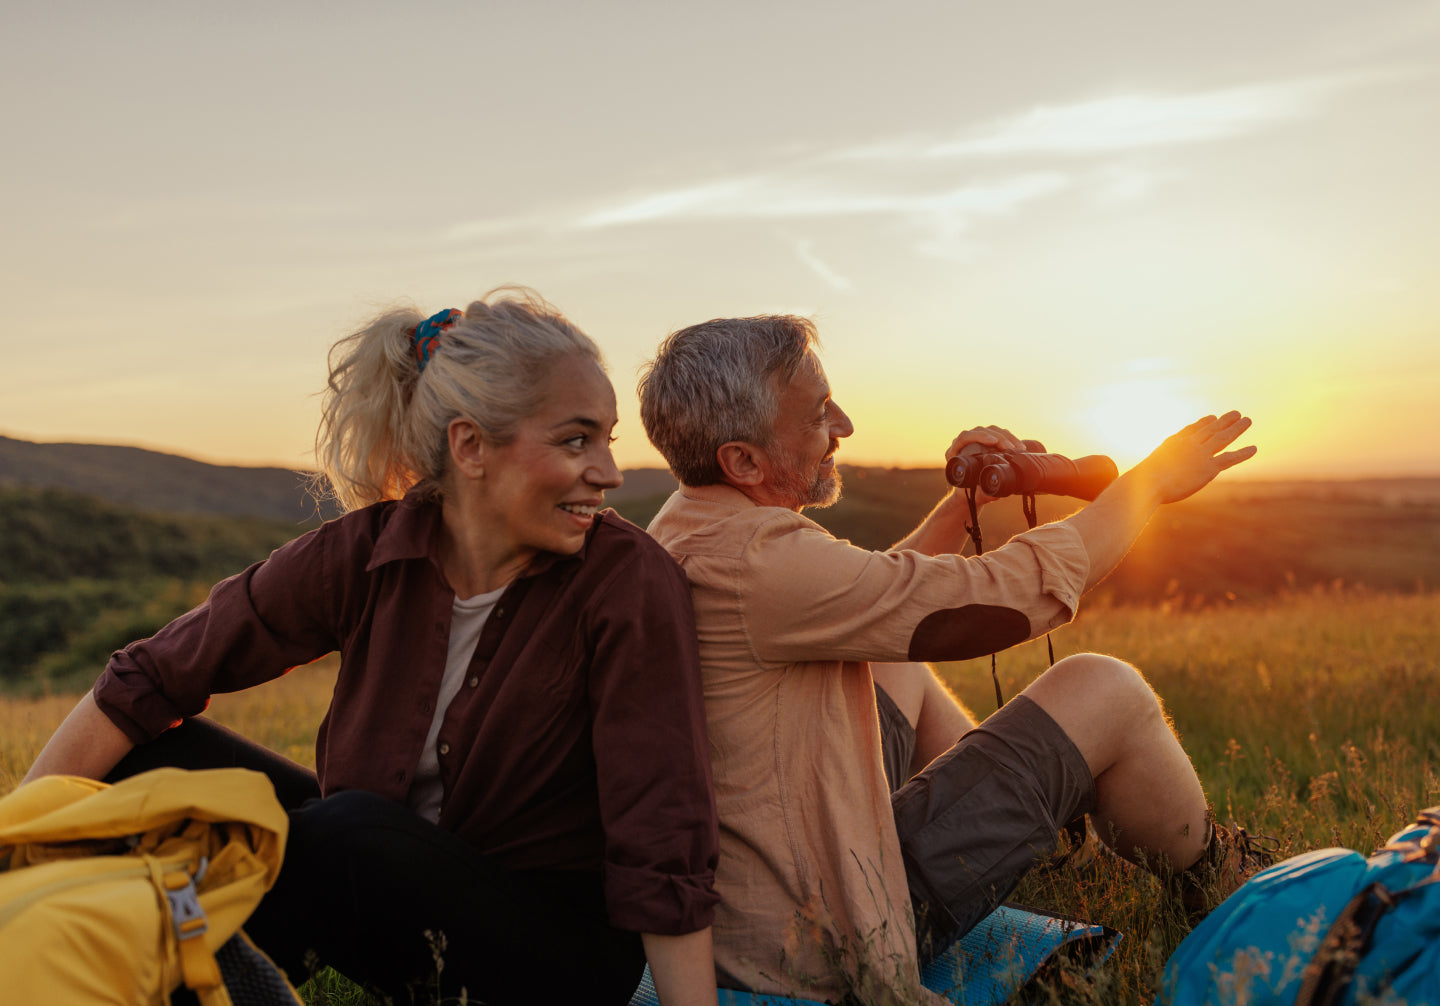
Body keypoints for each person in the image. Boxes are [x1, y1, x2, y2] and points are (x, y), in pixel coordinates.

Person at [23, 289, 721, 1006]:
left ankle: (136, 984)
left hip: (554, 954)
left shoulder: (628, 581)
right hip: (376, 874)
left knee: (345, 832)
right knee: (151, 758)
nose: (607, 472)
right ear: (470, 446)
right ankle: (42, 945)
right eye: (576, 441)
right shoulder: (365, 553)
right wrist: (18, 835)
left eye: (608, 439)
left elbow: (663, 833)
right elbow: (147, 678)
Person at [636, 314, 1271, 1006]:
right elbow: (1000, 598)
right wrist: (1147, 485)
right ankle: (1219, 876)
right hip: (827, 936)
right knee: (1103, 687)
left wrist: (961, 507)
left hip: (765, 889)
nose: (842, 424)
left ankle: (1042, 845)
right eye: (819, 414)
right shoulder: (759, 560)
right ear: (745, 461)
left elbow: (875, 594)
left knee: (891, 660)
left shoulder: (692, 522)